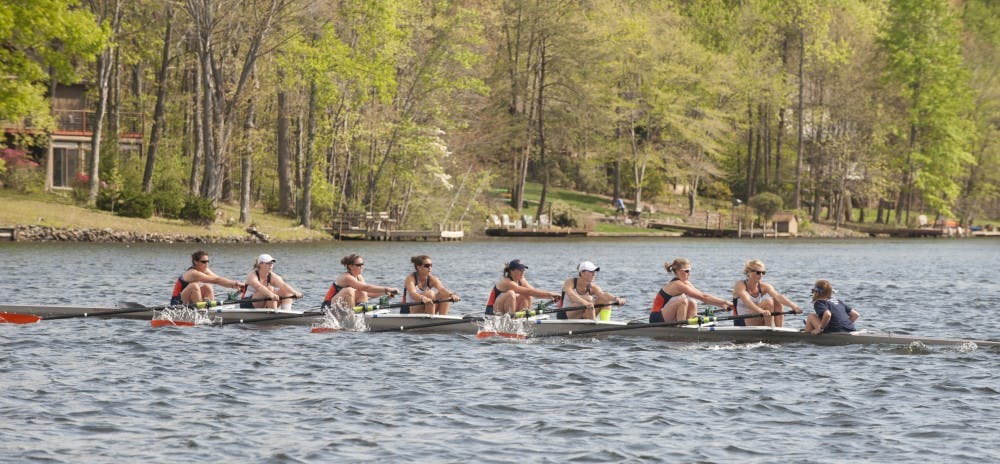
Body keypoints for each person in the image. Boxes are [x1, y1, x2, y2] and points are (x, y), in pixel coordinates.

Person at [649, 258, 732, 323]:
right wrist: (726, 302)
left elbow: (703, 296)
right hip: (656, 317)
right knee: (683, 301)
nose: (689, 274)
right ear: (677, 271)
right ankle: (681, 326)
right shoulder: (677, 284)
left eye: (690, 271)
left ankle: (690, 323)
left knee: (692, 301)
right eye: (686, 271)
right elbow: (703, 297)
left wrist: (722, 305)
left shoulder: (686, 283)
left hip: (667, 314)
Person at [731, 259, 803, 327]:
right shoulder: (740, 285)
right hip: (741, 321)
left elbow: (778, 296)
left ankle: (779, 330)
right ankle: (769, 330)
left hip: (757, 317)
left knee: (776, 301)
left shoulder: (764, 286)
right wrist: (761, 311)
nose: (761, 275)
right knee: (768, 302)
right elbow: (747, 301)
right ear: (749, 272)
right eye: (758, 272)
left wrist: (794, 307)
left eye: (763, 272)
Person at [485, 259, 561, 316]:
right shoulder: (507, 282)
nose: (523, 272)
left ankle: (522, 317)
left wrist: (551, 297)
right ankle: (510, 319)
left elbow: (532, 291)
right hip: (492, 312)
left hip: (507, 310)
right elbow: (530, 292)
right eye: (520, 270)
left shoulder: (522, 280)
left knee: (527, 295)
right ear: (511, 271)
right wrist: (550, 294)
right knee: (511, 293)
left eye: (523, 269)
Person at [322, 254, 399, 309]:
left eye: (362, 264)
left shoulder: (360, 277)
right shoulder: (347, 277)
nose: (362, 267)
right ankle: (352, 317)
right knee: (349, 290)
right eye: (359, 265)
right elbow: (367, 287)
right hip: (328, 306)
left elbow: (369, 293)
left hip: (343, 305)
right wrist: (387, 288)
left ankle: (361, 315)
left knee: (363, 292)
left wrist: (386, 292)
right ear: (350, 266)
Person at [170, 250, 245, 305]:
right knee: (194, 286)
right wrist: (237, 283)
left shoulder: (204, 270)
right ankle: (200, 310)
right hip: (177, 302)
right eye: (203, 262)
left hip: (188, 300)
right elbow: (216, 280)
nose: (206, 264)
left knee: (207, 287)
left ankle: (210, 310)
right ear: (195, 262)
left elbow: (218, 279)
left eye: (207, 261)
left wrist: (236, 286)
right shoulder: (193, 273)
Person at [558, 261, 626, 320]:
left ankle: (603, 324)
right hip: (565, 315)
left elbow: (603, 294)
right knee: (589, 299)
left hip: (584, 314)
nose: (594, 274)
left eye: (594, 272)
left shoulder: (593, 287)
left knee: (605, 300)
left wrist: (616, 299)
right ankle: (593, 324)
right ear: (581, 273)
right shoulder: (569, 282)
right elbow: (572, 295)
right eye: (590, 272)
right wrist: (586, 303)